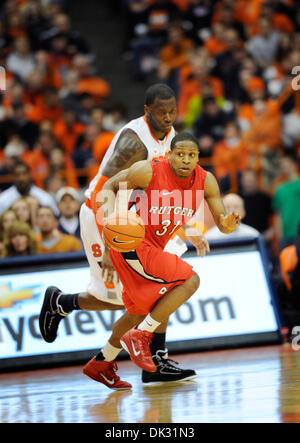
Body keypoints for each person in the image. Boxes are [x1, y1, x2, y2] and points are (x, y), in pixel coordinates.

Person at [39, 83, 209, 385]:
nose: (169, 117)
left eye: (173, 111)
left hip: (141, 219)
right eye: (162, 112)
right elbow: (105, 189)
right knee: (128, 301)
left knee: (163, 288)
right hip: (103, 216)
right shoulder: (133, 142)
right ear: (147, 111)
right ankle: (63, 304)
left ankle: (155, 362)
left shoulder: (171, 139)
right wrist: (108, 243)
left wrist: (188, 228)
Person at [81, 131, 240, 389]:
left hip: (150, 247)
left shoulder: (206, 180)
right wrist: (110, 225)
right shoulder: (148, 170)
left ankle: (101, 363)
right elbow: (109, 186)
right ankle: (142, 335)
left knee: (136, 312)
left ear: (198, 157)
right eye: (180, 154)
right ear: (170, 155)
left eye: (191, 155)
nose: (185, 160)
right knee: (190, 280)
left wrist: (228, 223)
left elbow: (222, 224)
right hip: (133, 243)